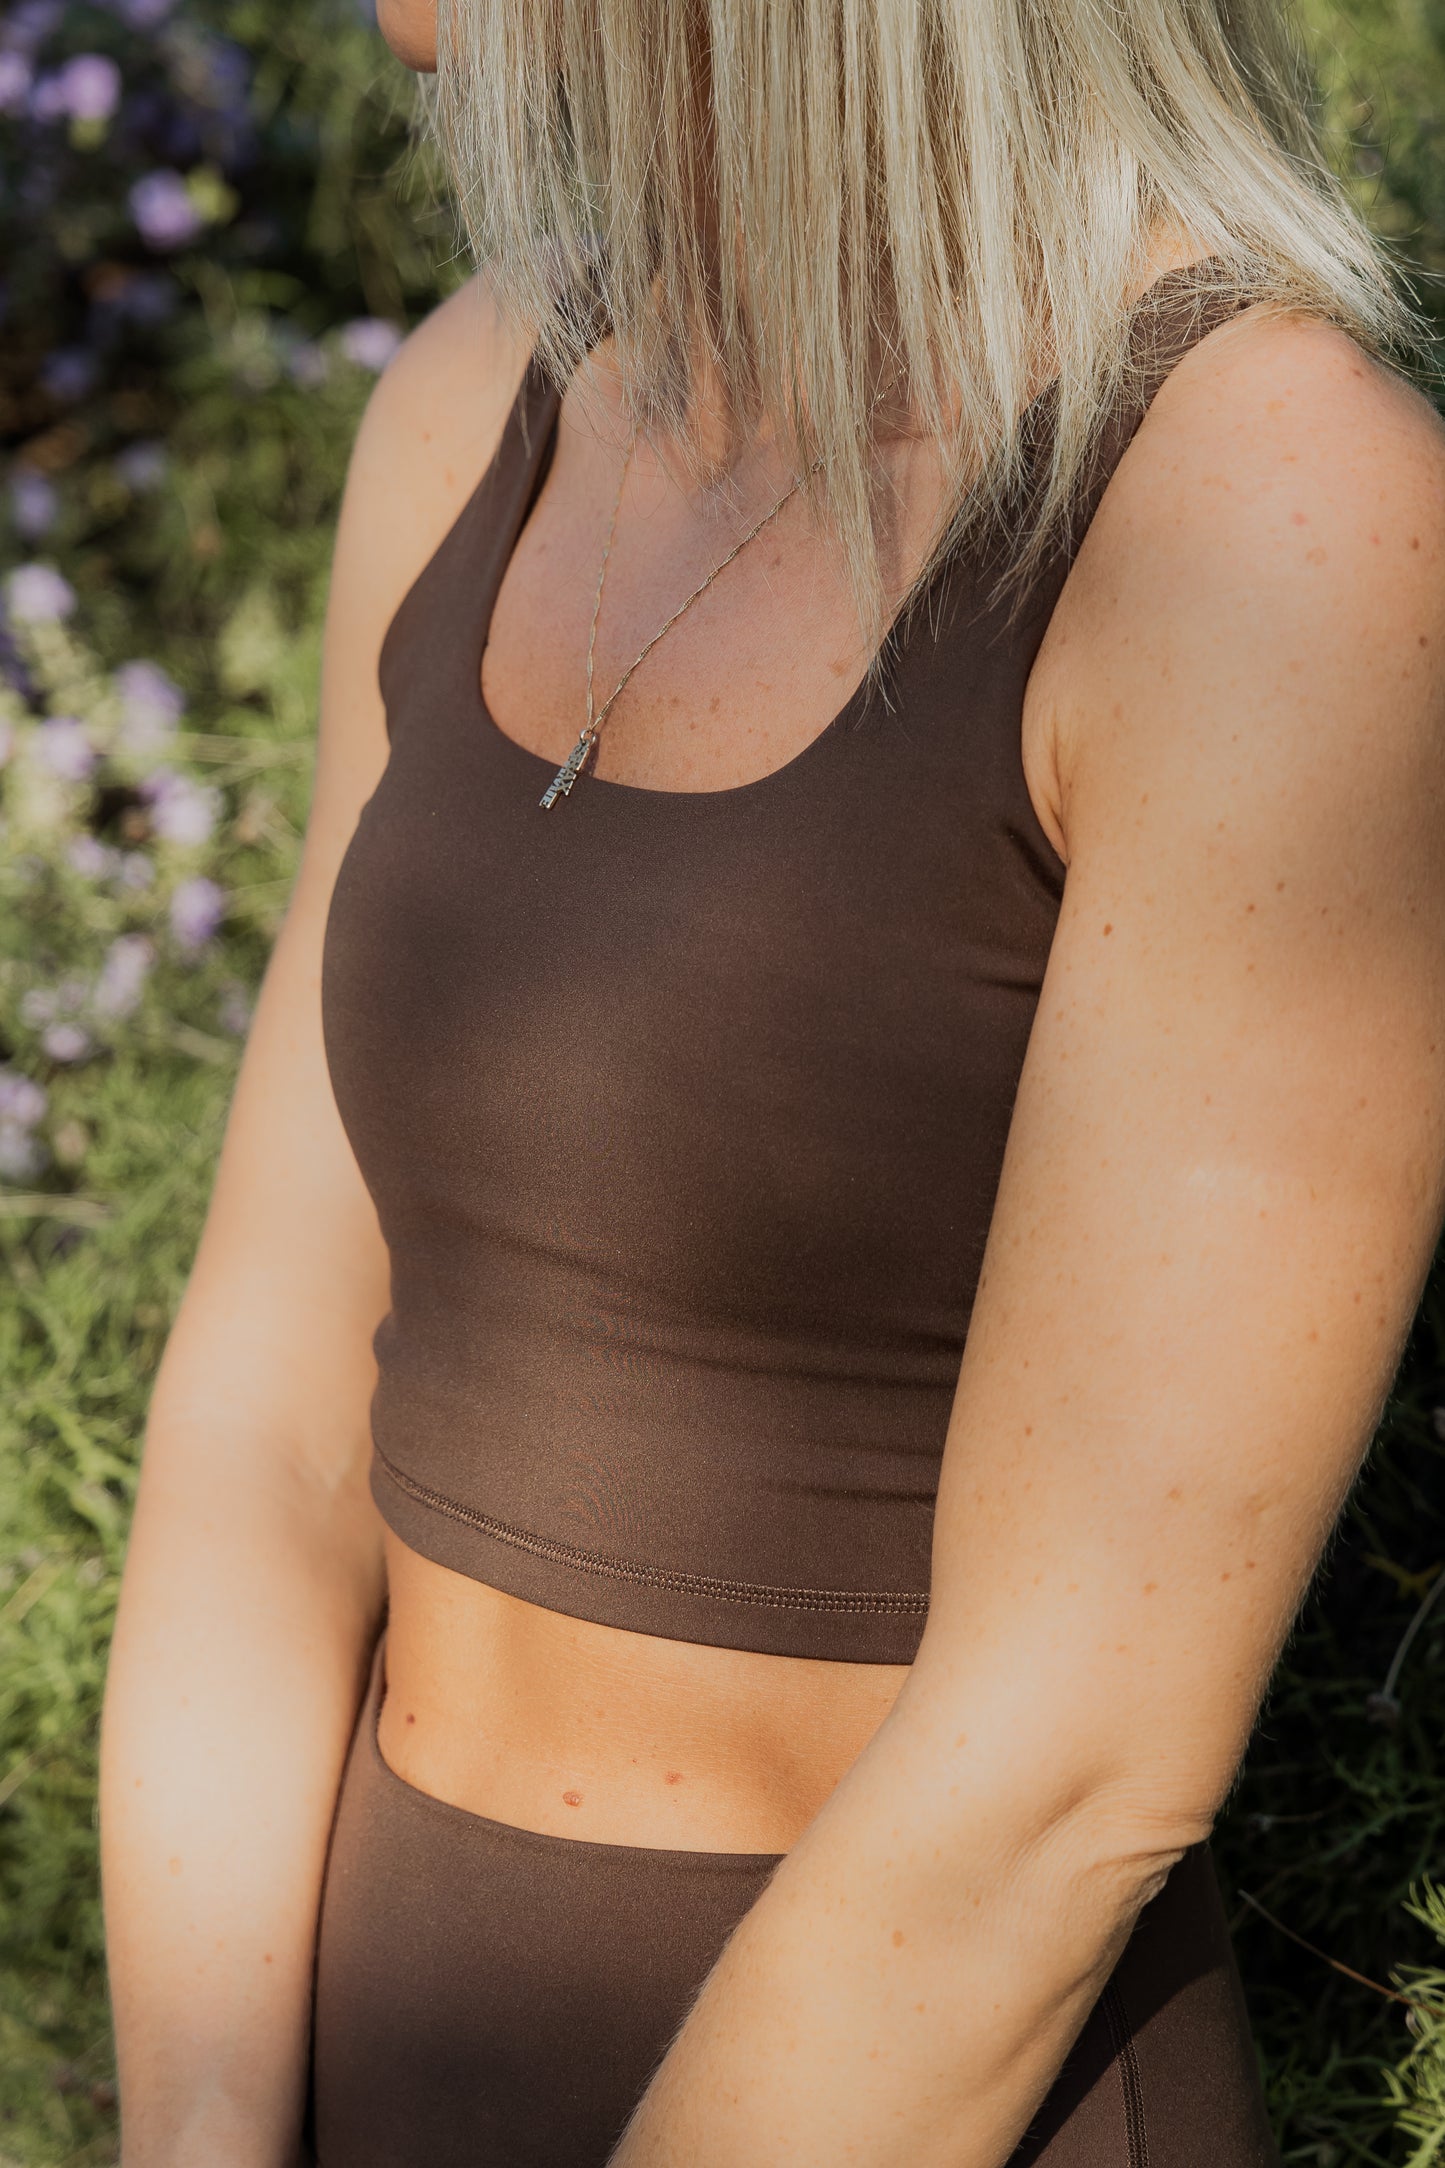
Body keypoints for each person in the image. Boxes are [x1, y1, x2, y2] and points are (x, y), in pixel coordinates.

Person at [99, 0, 1445, 2162]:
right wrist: (197, 2132)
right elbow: (267, 1421)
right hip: (373, 2037)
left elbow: (1073, 1766)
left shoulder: (1267, 515)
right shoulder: (483, 404)